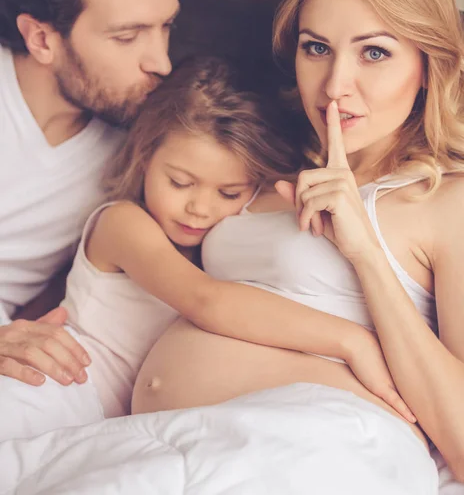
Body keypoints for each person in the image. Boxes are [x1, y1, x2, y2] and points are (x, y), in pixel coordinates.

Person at [130, 0, 464, 491]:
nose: (335, 85)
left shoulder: (446, 202)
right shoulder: (268, 174)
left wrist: (364, 252)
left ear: (428, 67)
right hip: (175, 442)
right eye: (317, 48)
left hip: (310, 453)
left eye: (375, 52)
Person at [0, 56, 408, 441]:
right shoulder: (121, 223)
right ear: (144, 158)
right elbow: (205, 300)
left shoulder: (225, 250)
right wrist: (352, 342)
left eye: (229, 193)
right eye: (179, 182)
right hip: (52, 390)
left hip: (104, 426)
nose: (199, 207)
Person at [0, 0, 179, 384]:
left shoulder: (131, 155)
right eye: (127, 37)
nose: (160, 61)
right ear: (41, 40)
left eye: (166, 27)